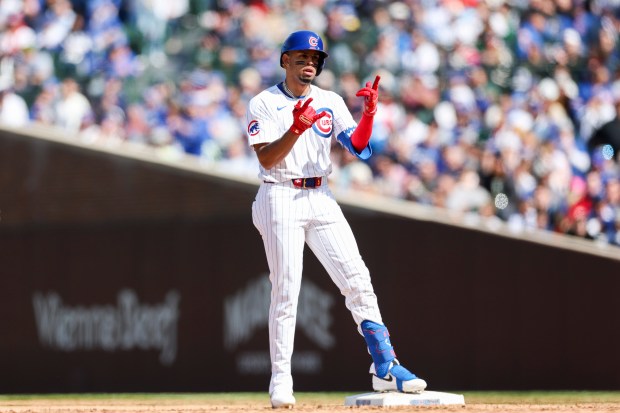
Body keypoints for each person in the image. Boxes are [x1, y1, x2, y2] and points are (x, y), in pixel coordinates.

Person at [245, 30, 427, 409]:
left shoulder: (329, 100)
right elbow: (265, 158)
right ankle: (281, 379)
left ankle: (385, 364)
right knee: (286, 290)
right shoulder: (264, 102)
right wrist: (296, 128)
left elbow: (357, 145)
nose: (309, 62)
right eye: (301, 57)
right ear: (285, 60)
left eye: (314, 58)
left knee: (358, 279)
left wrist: (370, 114)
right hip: (279, 193)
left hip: (320, 194)